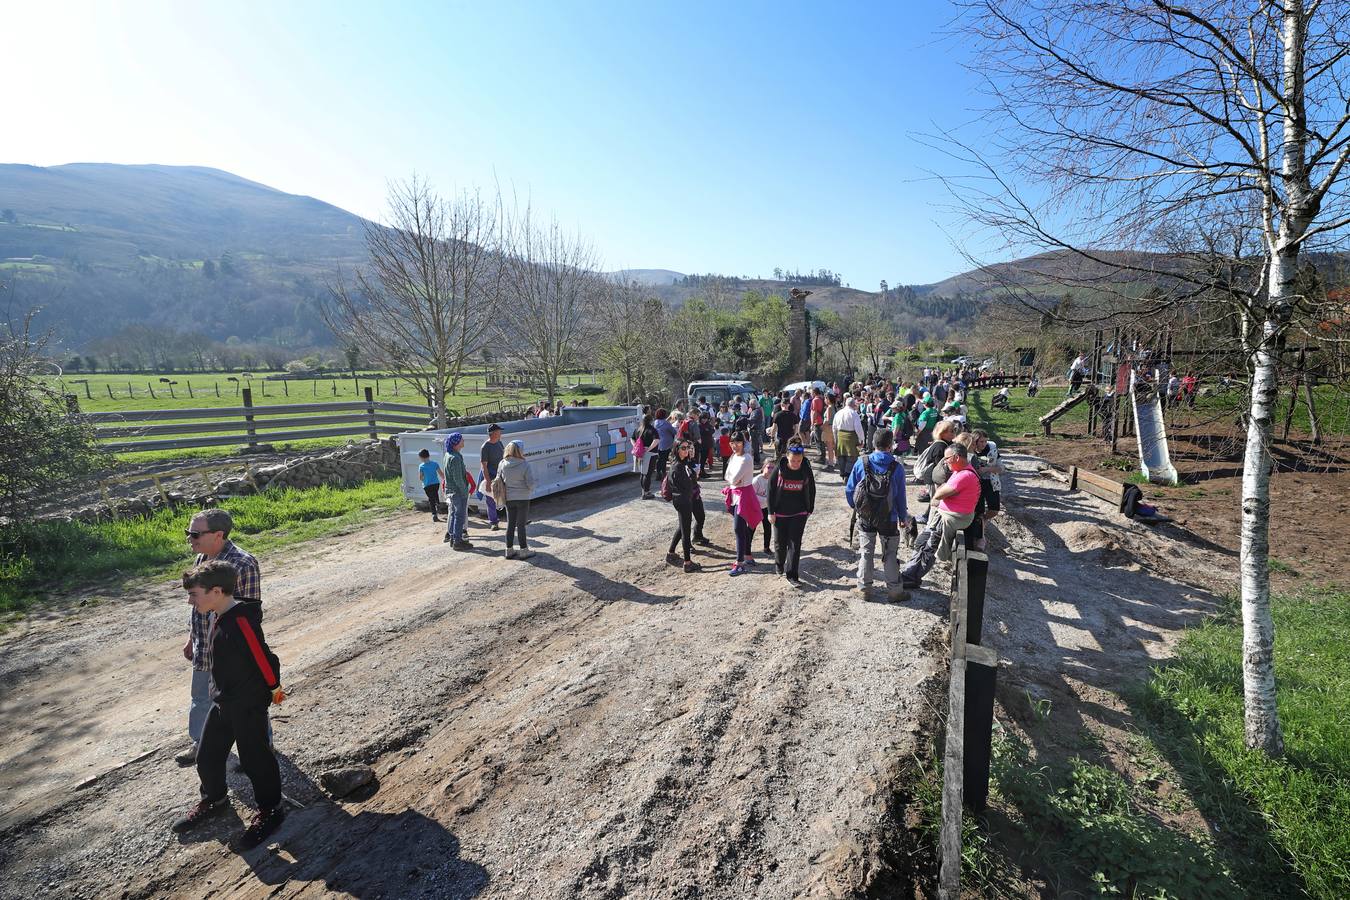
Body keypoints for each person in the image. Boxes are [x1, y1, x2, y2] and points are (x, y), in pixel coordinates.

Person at [171, 561, 286, 849]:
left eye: (194, 594)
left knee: (255, 759)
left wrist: (274, 689)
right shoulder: (217, 615)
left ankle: (271, 809)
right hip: (224, 700)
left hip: (247, 704)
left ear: (217, 591)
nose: (190, 600)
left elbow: (263, 657)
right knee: (207, 755)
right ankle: (215, 799)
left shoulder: (242, 620)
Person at [178, 508, 262, 767]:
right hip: (204, 646)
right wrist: (193, 638)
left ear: (218, 535)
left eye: (195, 533)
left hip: (231, 650)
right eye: (188, 532)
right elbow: (197, 606)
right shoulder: (202, 558)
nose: (189, 539)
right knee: (201, 698)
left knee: (246, 700)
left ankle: (259, 748)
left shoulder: (243, 563)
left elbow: (249, 613)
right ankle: (201, 743)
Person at [900, 442, 982, 589]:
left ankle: (911, 577)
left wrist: (941, 494)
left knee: (928, 548)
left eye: (947, 458)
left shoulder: (964, 475)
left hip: (951, 518)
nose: (945, 462)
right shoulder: (960, 472)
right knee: (921, 542)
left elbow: (938, 494)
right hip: (946, 515)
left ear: (956, 457)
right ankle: (910, 572)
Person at [845, 428, 910, 600]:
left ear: (873, 443)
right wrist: (903, 517)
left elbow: (850, 489)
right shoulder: (897, 467)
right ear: (891, 446)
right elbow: (900, 497)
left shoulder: (862, 462)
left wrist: (857, 507)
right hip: (889, 517)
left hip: (866, 516)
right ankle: (895, 591)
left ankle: (864, 589)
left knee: (866, 552)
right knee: (890, 553)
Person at [766, 442, 815, 584]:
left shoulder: (806, 469)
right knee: (780, 544)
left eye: (798, 461)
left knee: (795, 544)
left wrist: (809, 508)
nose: (795, 463)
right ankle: (779, 563)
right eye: (793, 460)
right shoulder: (779, 469)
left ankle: (792, 575)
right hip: (780, 512)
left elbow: (811, 489)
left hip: (798, 512)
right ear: (787, 457)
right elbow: (770, 490)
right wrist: (770, 512)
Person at [723, 431, 761, 576]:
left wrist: (734, 479)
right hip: (734, 495)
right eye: (732, 443)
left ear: (743, 443)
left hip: (744, 496)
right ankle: (748, 555)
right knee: (742, 528)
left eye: (738, 443)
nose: (735, 446)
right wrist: (733, 479)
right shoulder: (733, 457)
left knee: (739, 528)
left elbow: (732, 479)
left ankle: (739, 563)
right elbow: (727, 476)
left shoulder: (747, 458)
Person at [665, 440, 704, 572]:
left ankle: (671, 553)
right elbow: (688, 484)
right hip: (682, 501)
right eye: (683, 448)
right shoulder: (677, 467)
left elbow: (691, 481)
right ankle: (687, 563)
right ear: (677, 449)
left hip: (684, 499)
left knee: (682, 527)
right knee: (686, 531)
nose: (686, 450)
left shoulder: (683, 464)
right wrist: (693, 477)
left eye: (687, 448)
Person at [498, 440, 536, 559]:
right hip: (523, 498)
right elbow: (530, 484)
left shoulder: (502, 463)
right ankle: (524, 550)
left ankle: (509, 550)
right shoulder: (524, 464)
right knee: (521, 525)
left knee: (510, 525)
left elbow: (499, 479)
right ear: (520, 450)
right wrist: (533, 487)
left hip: (509, 498)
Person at [441, 433, 473, 550]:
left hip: (451, 490)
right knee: (459, 516)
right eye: (461, 440)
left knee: (455, 514)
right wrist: (465, 491)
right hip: (458, 492)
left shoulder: (449, 455)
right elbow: (458, 478)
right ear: (456, 443)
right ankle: (458, 542)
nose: (463, 441)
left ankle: (454, 538)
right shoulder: (455, 458)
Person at [479, 423, 505, 531]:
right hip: (491, 476)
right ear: (493, 433)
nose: (501, 433)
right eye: (499, 431)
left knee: (507, 497)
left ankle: (516, 519)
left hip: (501, 475)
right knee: (490, 499)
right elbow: (483, 466)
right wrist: (488, 482)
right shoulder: (485, 447)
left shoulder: (499, 443)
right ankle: (493, 522)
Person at [832, 397, 865, 482]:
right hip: (851, 437)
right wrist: (862, 439)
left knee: (841, 456)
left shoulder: (838, 413)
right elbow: (858, 428)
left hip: (840, 436)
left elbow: (834, 428)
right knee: (851, 457)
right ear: (853, 405)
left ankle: (843, 474)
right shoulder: (854, 414)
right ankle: (847, 474)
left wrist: (835, 439)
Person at [751, 459, 774, 556]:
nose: (771, 470)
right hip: (756, 508)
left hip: (766, 508)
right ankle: (746, 549)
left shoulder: (773, 480)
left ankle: (766, 547)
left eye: (773, 468)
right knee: (752, 528)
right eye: (769, 467)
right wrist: (766, 500)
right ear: (764, 467)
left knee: (768, 528)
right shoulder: (757, 480)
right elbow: (751, 495)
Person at [417, 448, 444, 523]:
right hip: (436, 484)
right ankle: (438, 503)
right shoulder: (435, 464)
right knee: (435, 494)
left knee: (431, 499)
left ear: (421, 458)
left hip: (427, 485)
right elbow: (441, 473)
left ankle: (434, 514)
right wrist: (445, 480)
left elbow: (421, 478)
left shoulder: (421, 466)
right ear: (429, 455)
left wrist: (423, 478)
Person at [636, 413, 659, 499]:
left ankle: (643, 491)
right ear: (651, 420)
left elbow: (632, 438)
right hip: (650, 454)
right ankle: (646, 492)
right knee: (648, 474)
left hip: (640, 453)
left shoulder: (639, 429)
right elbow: (656, 440)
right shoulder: (652, 430)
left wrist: (637, 447)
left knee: (642, 473)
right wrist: (649, 449)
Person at [653, 408, 676, 481]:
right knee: (664, 460)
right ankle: (663, 474)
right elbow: (674, 432)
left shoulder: (655, 422)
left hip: (658, 443)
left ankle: (658, 473)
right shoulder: (666, 423)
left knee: (659, 459)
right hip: (667, 444)